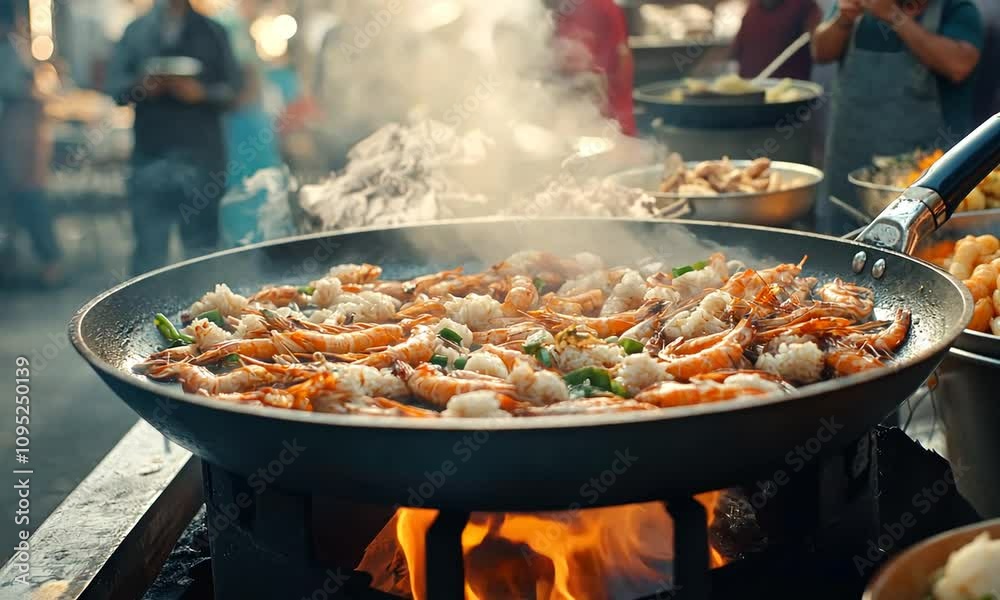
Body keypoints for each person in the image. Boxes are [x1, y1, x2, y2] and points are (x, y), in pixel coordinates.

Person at [812, 0, 984, 217]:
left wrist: (895, 17)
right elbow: (820, 52)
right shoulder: (859, 6)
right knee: (836, 244)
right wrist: (843, 20)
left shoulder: (957, 10)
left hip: (923, 182)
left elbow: (958, 66)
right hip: (847, 169)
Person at [106, 0, 241, 275]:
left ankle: (205, 314)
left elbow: (233, 91)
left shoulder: (213, 31)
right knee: (148, 251)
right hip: (149, 155)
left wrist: (201, 93)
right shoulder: (136, 31)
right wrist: (141, 87)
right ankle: (140, 315)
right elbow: (115, 89)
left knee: (202, 252)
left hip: (203, 158)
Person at [0, 1, 63, 286]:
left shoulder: (11, 51)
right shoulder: (12, 50)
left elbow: (27, 98)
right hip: (15, 145)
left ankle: (49, 261)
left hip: (16, 145)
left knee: (28, 198)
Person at [546, 0, 637, 135]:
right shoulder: (558, 9)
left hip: (607, 124)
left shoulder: (600, 5)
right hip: (572, 123)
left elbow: (622, 63)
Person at [733, 0, 822, 80]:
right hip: (748, 89)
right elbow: (736, 52)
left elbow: (820, 47)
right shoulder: (752, 10)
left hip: (790, 91)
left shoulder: (804, 6)